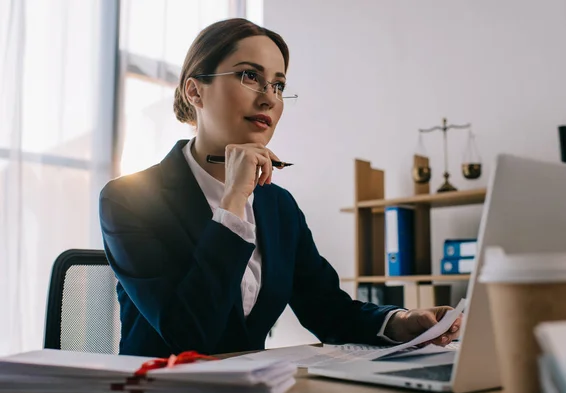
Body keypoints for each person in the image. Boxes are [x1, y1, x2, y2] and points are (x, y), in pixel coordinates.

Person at [99, 18, 461, 358]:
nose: (269, 98)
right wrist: (233, 202)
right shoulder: (129, 199)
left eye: (279, 85)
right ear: (194, 90)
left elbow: (327, 310)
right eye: (249, 76)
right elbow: (189, 334)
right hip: (160, 389)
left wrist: (400, 323)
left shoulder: (278, 205)